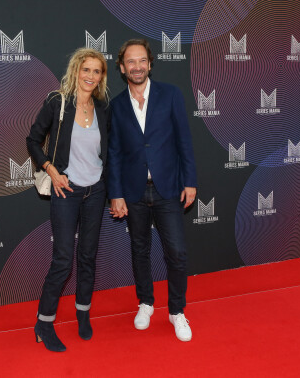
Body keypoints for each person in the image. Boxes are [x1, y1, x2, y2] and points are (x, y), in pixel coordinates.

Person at [107, 39, 197, 342]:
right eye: (130, 62)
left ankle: (176, 311)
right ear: (121, 68)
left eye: (141, 60)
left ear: (150, 63)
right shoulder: (116, 106)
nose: (137, 66)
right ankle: (145, 302)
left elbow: (184, 140)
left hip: (168, 188)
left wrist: (191, 181)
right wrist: (115, 193)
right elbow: (114, 153)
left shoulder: (170, 95)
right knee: (139, 250)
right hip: (133, 192)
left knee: (178, 252)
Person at [26, 48, 110, 352]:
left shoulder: (102, 107)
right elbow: (33, 140)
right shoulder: (57, 102)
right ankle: (44, 323)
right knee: (63, 261)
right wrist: (51, 169)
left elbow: (108, 151)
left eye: (97, 71)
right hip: (66, 190)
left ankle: (83, 314)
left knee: (87, 257)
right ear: (76, 70)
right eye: (86, 69)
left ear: (102, 76)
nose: (90, 76)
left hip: (96, 191)